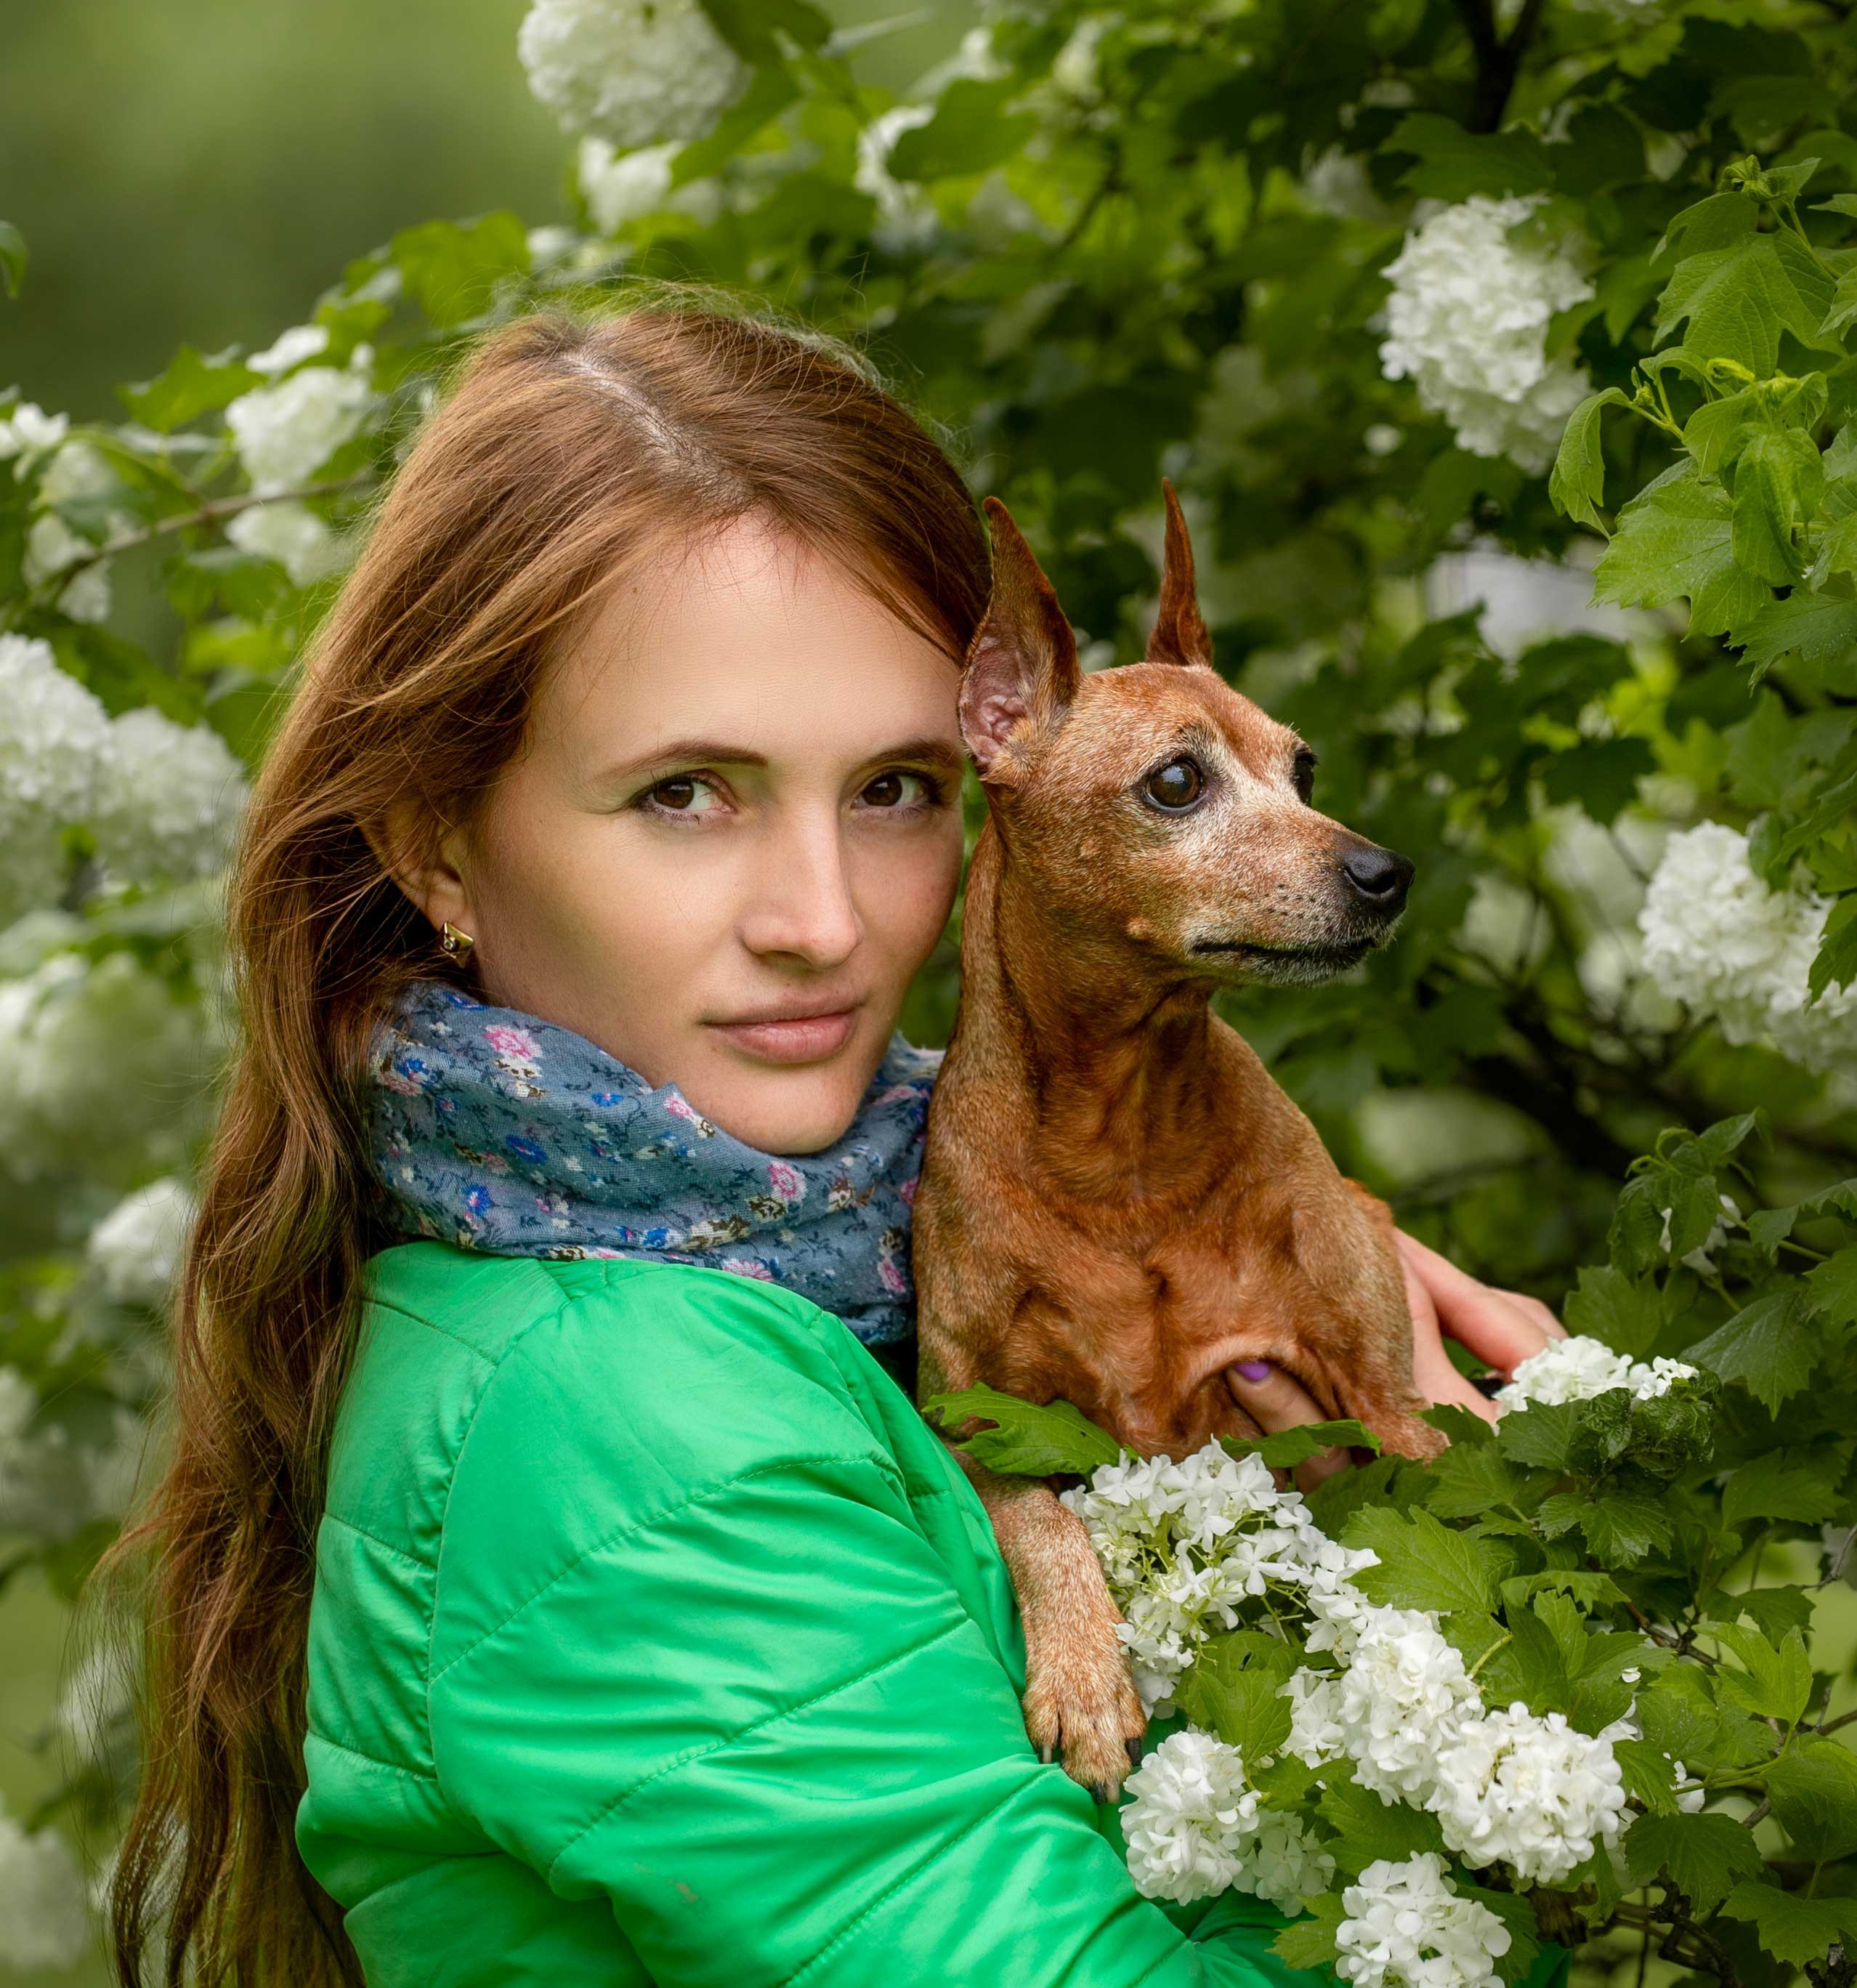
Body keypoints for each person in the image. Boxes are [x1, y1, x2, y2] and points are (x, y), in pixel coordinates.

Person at [108, 302, 1563, 1988]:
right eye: (685, 794)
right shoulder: (633, 1436)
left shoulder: (848, 1258)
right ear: (437, 845)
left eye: (893, 791)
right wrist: (1470, 1660)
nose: (822, 924)